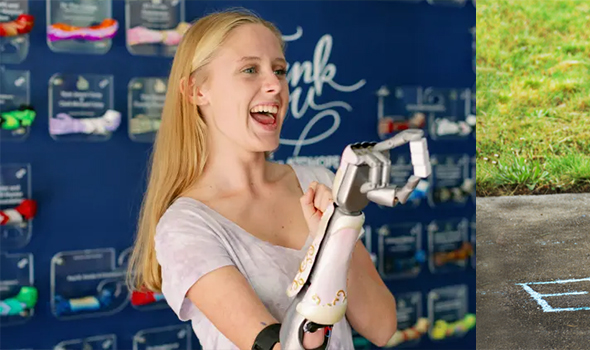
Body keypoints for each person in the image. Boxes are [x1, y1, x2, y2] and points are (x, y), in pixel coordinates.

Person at [125, 9, 396, 350]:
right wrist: (328, 247)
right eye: (250, 70)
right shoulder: (185, 226)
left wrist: (336, 240)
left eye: (279, 70)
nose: (275, 85)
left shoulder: (318, 182)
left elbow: (382, 326)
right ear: (196, 90)